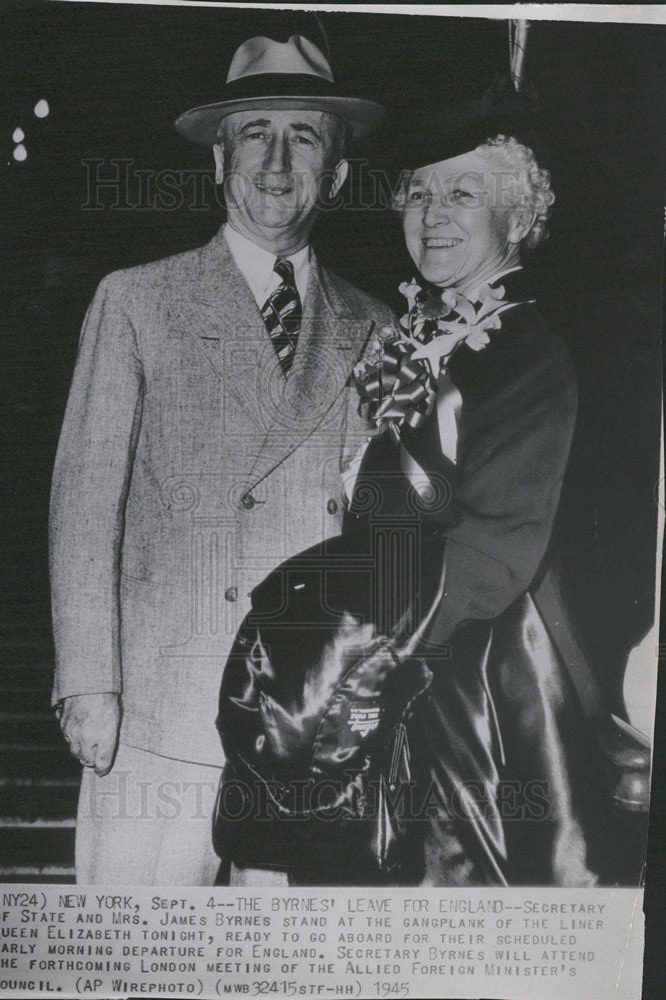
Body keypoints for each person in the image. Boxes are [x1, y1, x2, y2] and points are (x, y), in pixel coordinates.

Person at [214, 80, 650, 886]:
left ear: (516, 220)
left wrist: (366, 677)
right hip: (393, 647)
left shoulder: (524, 349)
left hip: (467, 675)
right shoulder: (422, 331)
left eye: (462, 194)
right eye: (417, 193)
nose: (432, 212)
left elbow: (494, 548)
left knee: (446, 887)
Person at [49, 32, 393, 885]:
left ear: (338, 174)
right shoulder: (137, 301)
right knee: (132, 958)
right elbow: (84, 507)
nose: (277, 160)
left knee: (277, 969)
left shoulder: (380, 328)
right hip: (161, 714)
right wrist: (89, 682)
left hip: (306, 724)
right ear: (218, 160)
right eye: (254, 133)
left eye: (304, 135)